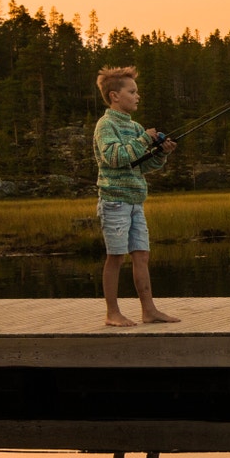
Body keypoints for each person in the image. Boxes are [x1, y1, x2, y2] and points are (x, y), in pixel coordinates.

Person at [94, 66, 179, 327]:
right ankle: (112, 313)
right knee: (116, 256)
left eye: (137, 92)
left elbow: (143, 166)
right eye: (132, 92)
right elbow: (116, 157)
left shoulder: (135, 127)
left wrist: (161, 153)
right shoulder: (105, 125)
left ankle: (149, 310)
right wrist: (144, 140)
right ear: (114, 96)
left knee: (141, 254)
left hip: (135, 201)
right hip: (115, 202)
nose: (137, 96)